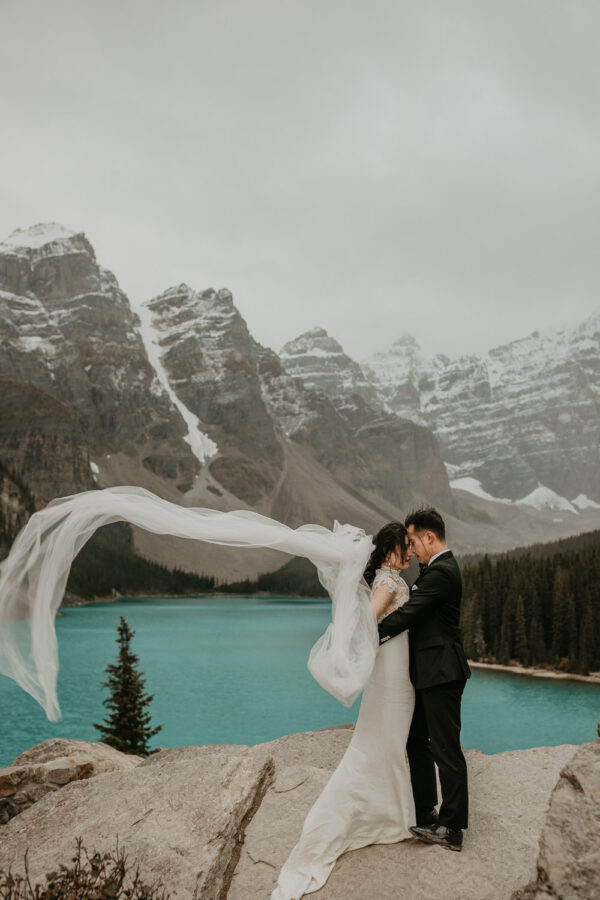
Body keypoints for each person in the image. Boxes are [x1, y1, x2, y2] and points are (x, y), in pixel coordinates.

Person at [270, 521, 416, 900]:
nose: (411, 552)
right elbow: (366, 619)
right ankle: (384, 818)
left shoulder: (387, 579)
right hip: (390, 680)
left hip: (392, 674)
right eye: (405, 546)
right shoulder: (388, 582)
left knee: (384, 744)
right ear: (389, 552)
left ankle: (391, 815)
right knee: (381, 744)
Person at [378, 507, 471, 853]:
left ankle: (452, 828)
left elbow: (407, 614)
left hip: (443, 673)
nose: (411, 548)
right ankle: (425, 812)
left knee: (446, 748)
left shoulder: (443, 573)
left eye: (414, 541)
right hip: (427, 673)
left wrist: (366, 634)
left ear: (429, 537)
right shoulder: (432, 570)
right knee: (417, 742)